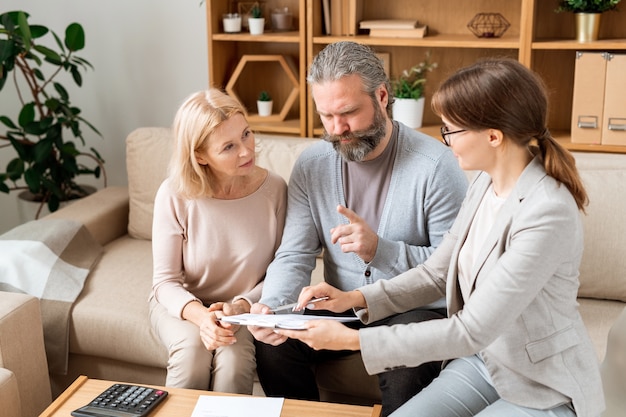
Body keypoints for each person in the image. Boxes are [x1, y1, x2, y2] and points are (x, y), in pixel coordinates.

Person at [275, 58, 605, 417]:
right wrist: (353, 298)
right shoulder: (485, 184)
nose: (446, 142)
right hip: (484, 363)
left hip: (541, 384)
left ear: (493, 136)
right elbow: (436, 272)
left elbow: (471, 329)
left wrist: (353, 339)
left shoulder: (548, 211)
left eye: (452, 131)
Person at [249, 41, 468, 416]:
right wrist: (271, 307)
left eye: (348, 112)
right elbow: (295, 253)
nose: (338, 130)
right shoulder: (312, 164)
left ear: (382, 96)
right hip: (339, 301)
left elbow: (452, 270)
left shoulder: (435, 165)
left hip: (416, 308)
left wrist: (378, 250)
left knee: (405, 367)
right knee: (274, 345)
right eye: (326, 116)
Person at [149, 89, 287, 393]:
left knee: (235, 363)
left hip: (244, 307)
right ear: (200, 156)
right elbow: (165, 282)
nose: (246, 151)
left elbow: (281, 271)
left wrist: (240, 306)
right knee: (192, 353)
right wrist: (201, 317)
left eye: (246, 135)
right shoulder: (174, 194)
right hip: (182, 304)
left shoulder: (274, 189)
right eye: (228, 147)